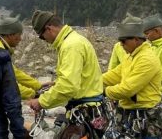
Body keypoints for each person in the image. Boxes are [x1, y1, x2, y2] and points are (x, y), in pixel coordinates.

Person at [26, 10, 104, 138]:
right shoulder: (74, 40)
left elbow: (68, 86)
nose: (44, 40)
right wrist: (56, 84)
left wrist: (41, 102)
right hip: (89, 110)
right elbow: (77, 77)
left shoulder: (70, 46)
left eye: (41, 36)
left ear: (49, 28)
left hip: (85, 111)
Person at [102, 14, 162, 138]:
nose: (120, 44)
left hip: (146, 115)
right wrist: (91, 82)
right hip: (128, 112)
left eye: (123, 41)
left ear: (136, 39)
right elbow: (114, 75)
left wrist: (104, 91)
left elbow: (128, 89)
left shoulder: (147, 59)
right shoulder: (131, 56)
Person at [0, 15, 45, 100]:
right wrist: (34, 94)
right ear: (10, 35)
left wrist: (37, 85)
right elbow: (7, 85)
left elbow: (14, 72)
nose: (20, 39)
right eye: (19, 35)